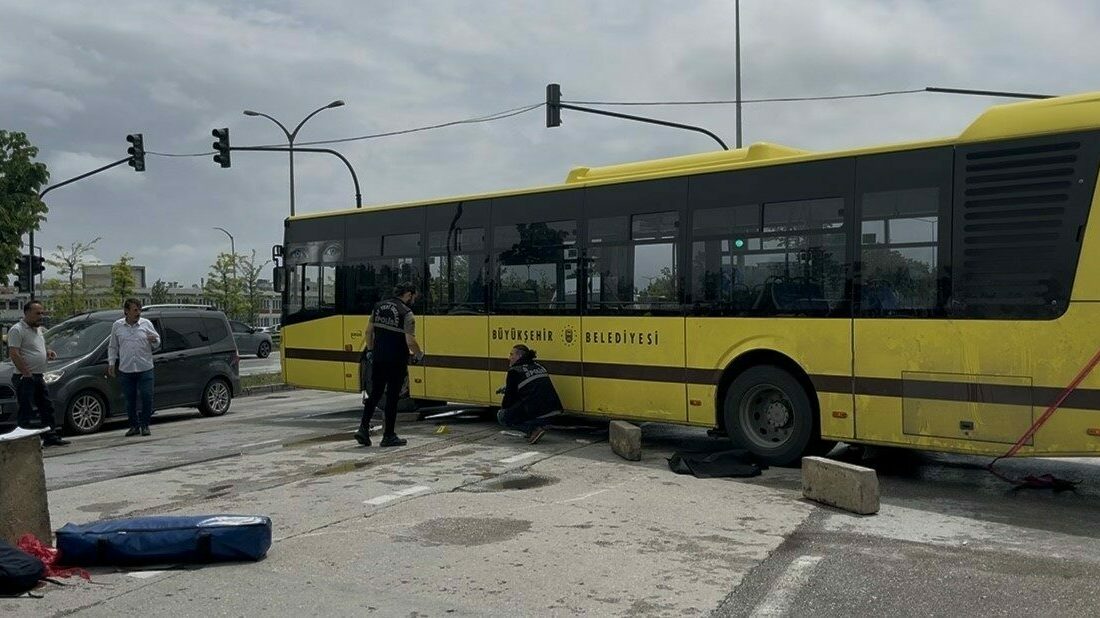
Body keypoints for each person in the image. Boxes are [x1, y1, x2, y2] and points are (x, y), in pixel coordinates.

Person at [355, 282, 423, 447]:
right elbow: (410, 341)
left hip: (378, 359)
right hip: (396, 361)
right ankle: (388, 435)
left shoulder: (378, 307)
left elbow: (368, 332)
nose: (413, 300)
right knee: (392, 398)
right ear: (408, 294)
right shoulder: (406, 313)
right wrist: (419, 354)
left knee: (376, 394)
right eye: (413, 297)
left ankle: (363, 429)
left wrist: (370, 351)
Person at [7, 301, 69, 446]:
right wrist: (26, 372)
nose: (41, 316)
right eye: (37, 313)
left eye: (42, 313)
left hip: (39, 374)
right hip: (25, 376)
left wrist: (47, 352)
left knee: (46, 406)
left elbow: (37, 346)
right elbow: (14, 353)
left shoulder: (38, 329)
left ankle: (50, 436)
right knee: (27, 407)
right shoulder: (17, 330)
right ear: (27, 313)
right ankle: (26, 439)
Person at [107, 298, 161, 437]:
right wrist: (111, 363)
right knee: (130, 399)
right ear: (126, 311)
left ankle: (145, 425)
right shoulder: (117, 326)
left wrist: (154, 341)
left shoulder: (146, 324)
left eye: (139, 310)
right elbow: (113, 346)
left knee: (147, 396)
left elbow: (157, 341)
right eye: (135, 310)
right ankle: (133, 425)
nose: (138, 313)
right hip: (127, 369)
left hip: (145, 367)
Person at [496, 344, 562, 445]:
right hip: (555, 411)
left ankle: (532, 429)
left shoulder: (514, 371)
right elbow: (533, 387)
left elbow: (509, 399)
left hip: (539, 413)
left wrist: (505, 409)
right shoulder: (539, 366)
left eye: (511, 354)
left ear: (519, 356)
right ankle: (537, 426)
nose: (509, 357)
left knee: (502, 416)